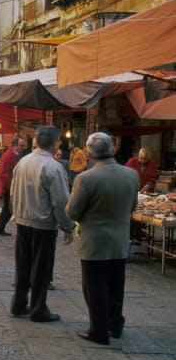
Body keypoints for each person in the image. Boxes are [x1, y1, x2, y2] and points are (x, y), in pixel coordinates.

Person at [66, 132, 139, 345]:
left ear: (88, 153)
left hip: (95, 241)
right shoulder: (131, 174)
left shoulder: (86, 178)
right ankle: (115, 324)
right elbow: (133, 207)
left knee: (94, 287)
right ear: (112, 149)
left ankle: (99, 330)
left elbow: (72, 212)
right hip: (118, 240)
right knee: (116, 285)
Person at [9, 125, 74, 322]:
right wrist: (67, 225)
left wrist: (16, 213)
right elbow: (61, 201)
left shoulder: (23, 162)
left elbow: (12, 193)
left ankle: (19, 304)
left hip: (23, 221)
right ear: (55, 144)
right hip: (43, 225)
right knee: (41, 268)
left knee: (23, 265)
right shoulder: (53, 167)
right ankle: (38, 309)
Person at [0, 136, 25, 236]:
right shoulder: (8, 155)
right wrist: (11, 186)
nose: (23, 147)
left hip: (10, 186)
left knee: (8, 209)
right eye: (21, 145)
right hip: (8, 187)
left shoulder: (16, 154)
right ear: (15, 145)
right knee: (8, 209)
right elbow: (3, 173)